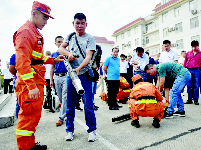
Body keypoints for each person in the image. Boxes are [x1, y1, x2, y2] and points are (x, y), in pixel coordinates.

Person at [13, 2, 64, 149]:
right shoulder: (25, 32)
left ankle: (30, 145)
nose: (46, 22)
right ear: (33, 13)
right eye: (44, 17)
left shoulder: (33, 32)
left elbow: (37, 58)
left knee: (32, 119)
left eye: (48, 19)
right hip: (30, 85)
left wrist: (53, 60)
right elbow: (22, 62)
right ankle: (25, 148)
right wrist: (31, 86)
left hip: (35, 82)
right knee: (27, 119)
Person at [58, 13, 97, 142]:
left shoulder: (90, 38)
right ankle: (69, 130)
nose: (80, 26)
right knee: (69, 104)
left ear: (86, 24)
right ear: (73, 23)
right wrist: (69, 54)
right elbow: (60, 49)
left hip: (84, 74)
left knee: (88, 105)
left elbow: (88, 57)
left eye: (82, 23)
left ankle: (92, 130)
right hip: (71, 76)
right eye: (77, 23)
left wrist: (79, 68)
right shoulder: (70, 36)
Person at [50, 36, 68, 127]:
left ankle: (61, 118)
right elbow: (52, 68)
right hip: (56, 77)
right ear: (56, 44)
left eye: (62, 42)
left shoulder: (67, 53)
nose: (61, 43)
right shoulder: (53, 54)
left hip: (66, 76)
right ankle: (66, 113)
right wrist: (51, 80)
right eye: (59, 42)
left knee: (65, 97)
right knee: (61, 97)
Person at [158, 40, 178, 104]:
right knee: (166, 88)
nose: (166, 47)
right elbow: (160, 63)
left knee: (173, 88)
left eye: (167, 46)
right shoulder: (162, 54)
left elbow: (176, 62)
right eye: (165, 46)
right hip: (164, 73)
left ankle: (174, 103)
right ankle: (167, 103)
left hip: (172, 73)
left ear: (170, 45)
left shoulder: (174, 53)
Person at [184, 40, 201, 105]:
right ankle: (189, 99)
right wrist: (184, 70)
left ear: (198, 46)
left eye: (195, 46)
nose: (194, 48)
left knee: (196, 85)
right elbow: (185, 62)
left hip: (197, 70)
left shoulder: (200, 53)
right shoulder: (188, 53)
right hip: (189, 70)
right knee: (189, 85)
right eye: (192, 47)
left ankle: (196, 100)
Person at [9, 53, 20, 119]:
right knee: (19, 101)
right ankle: (19, 120)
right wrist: (18, 75)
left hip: (31, 81)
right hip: (19, 82)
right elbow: (11, 69)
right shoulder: (15, 56)